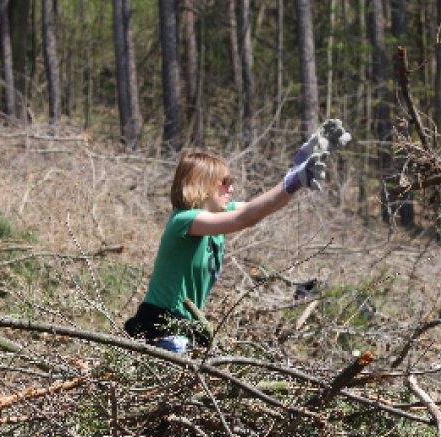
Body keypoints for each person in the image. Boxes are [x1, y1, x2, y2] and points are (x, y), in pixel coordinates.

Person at [124, 119, 352, 353]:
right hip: (159, 329)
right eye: (225, 183)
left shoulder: (214, 219)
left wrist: (296, 172)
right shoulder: (183, 221)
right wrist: (292, 182)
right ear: (201, 184)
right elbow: (246, 219)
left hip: (185, 330)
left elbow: (257, 208)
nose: (231, 189)